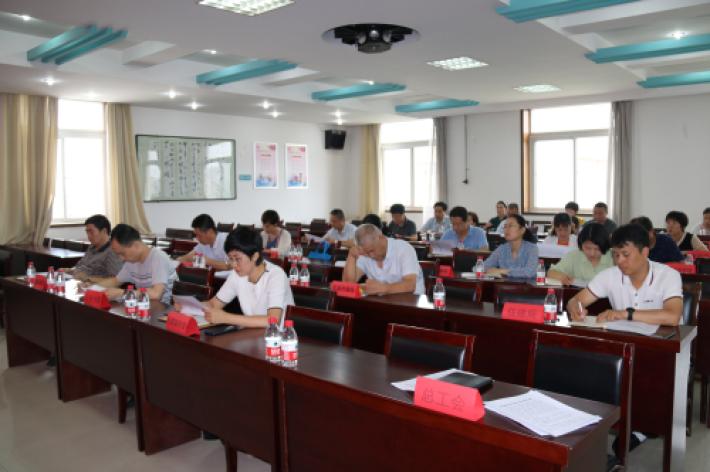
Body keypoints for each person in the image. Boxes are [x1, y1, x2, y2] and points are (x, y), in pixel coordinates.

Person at [567, 223, 683, 326]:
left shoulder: (668, 275)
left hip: (665, 341)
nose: (620, 261)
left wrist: (625, 314)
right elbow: (575, 301)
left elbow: (673, 317)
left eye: (626, 254)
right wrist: (575, 308)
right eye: (616, 255)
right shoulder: (609, 276)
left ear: (644, 252)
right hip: (626, 339)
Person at [198, 227, 294, 327]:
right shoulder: (237, 274)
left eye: (237, 259)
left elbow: (273, 320)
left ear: (255, 256)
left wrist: (225, 317)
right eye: (230, 259)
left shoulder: (276, 275)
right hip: (252, 332)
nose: (233, 265)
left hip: (279, 334)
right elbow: (214, 304)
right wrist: (189, 307)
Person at [100, 224, 177, 304]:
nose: (121, 258)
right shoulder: (131, 261)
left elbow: (156, 294)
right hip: (144, 306)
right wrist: (94, 288)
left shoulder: (158, 258)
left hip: (163, 308)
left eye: (122, 253)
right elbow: (115, 281)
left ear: (136, 245)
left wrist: (121, 293)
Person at [343, 223, 424, 295]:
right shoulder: (365, 252)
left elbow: (410, 285)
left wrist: (384, 288)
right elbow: (348, 285)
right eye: (367, 253)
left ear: (381, 238)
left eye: (372, 250)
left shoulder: (403, 249)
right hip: (382, 302)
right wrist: (351, 256)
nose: (371, 256)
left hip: (411, 302)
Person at [547, 223, 613, 286]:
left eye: (597, 249)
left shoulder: (614, 256)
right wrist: (561, 277)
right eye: (587, 248)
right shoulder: (574, 256)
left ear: (605, 246)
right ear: (581, 244)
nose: (592, 253)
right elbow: (551, 273)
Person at [70, 214, 123, 282]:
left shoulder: (113, 251)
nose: (88, 236)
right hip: (80, 282)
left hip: (96, 286)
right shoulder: (91, 247)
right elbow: (80, 265)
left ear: (104, 231)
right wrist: (69, 270)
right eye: (87, 232)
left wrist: (87, 278)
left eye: (91, 232)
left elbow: (115, 279)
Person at [484, 214, 539, 278]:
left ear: (522, 230)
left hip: (526, 284)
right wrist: (492, 270)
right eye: (505, 226)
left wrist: (503, 271)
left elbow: (529, 272)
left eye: (511, 226)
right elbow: (482, 267)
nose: (507, 229)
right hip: (504, 284)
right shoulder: (502, 249)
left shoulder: (532, 248)